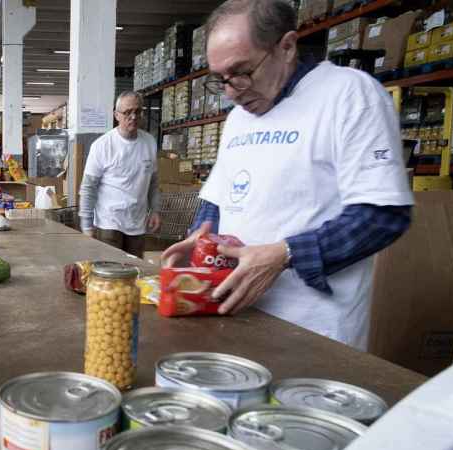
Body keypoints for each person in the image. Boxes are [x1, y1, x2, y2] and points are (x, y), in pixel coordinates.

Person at [161, 0, 414, 350]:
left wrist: (285, 255)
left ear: (287, 46)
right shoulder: (238, 118)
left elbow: (382, 215)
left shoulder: (349, 95)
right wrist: (201, 237)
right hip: (234, 316)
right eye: (220, 80)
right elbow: (217, 200)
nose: (232, 92)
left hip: (313, 332)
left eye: (242, 71)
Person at [78, 91, 162, 258]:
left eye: (138, 111)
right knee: (112, 270)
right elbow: (88, 188)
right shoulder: (102, 145)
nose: (133, 117)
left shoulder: (149, 142)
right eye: (127, 112)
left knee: (135, 269)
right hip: (109, 224)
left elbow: (153, 182)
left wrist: (155, 210)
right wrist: (87, 227)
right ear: (116, 115)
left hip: (137, 224)